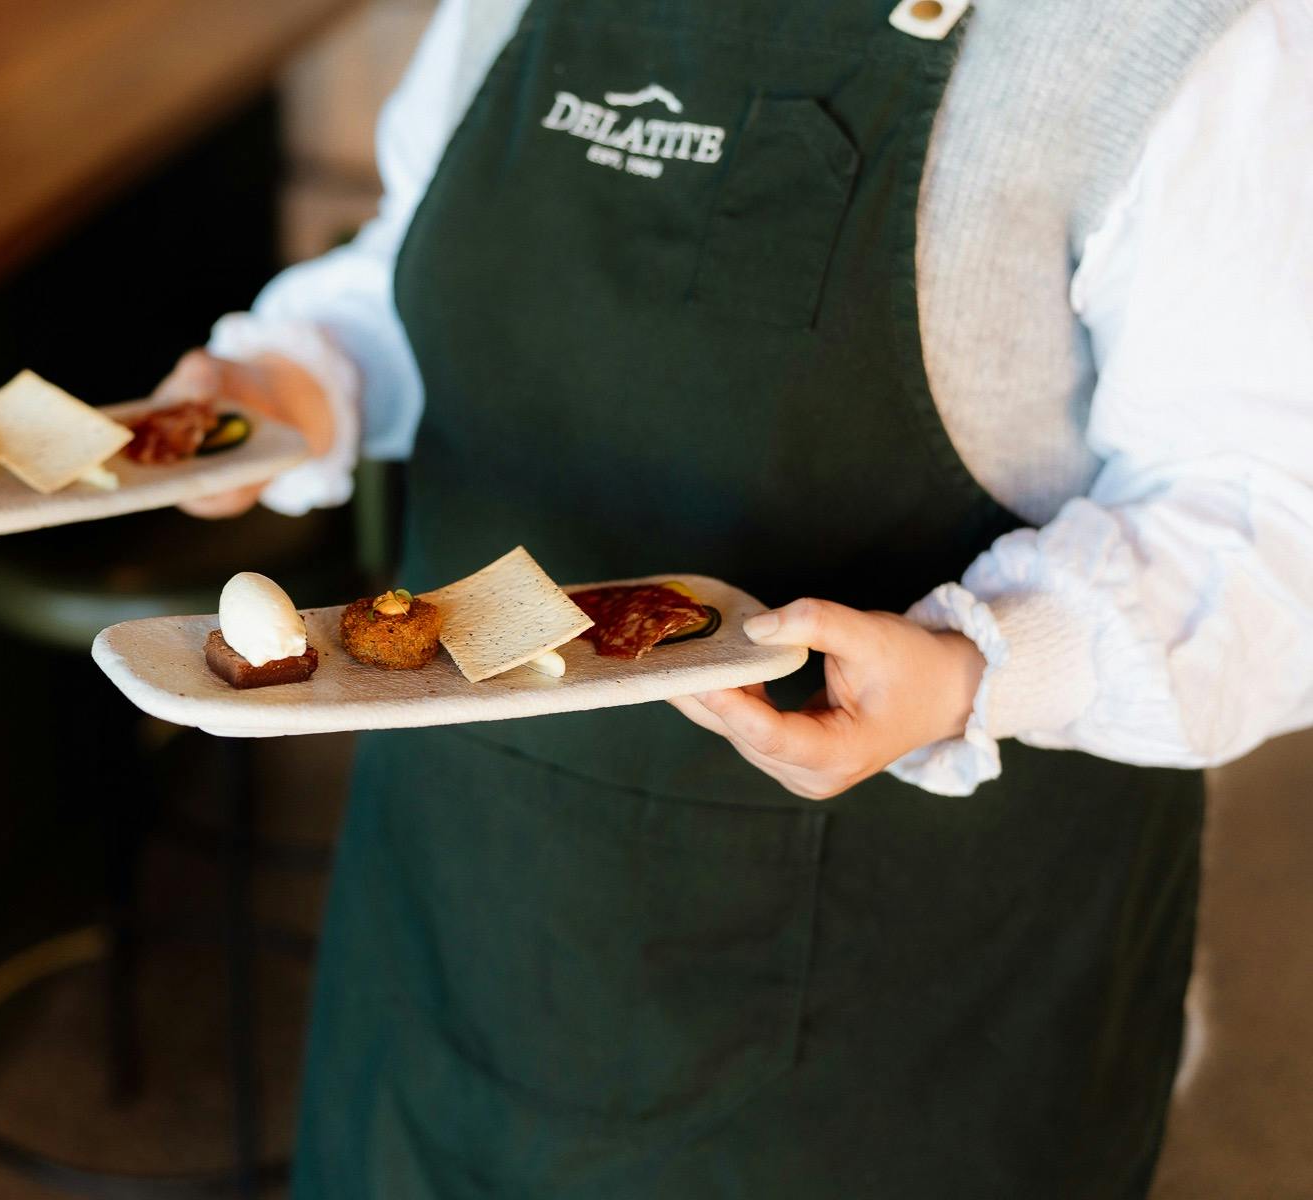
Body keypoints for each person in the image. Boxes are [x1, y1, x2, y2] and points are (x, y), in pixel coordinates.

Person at [150, 0, 1313, 1194]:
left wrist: (985, 661)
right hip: (462, 907)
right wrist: (291, 379)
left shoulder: (1167, 36)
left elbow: (1268, 510)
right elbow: (425, 270)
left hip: (881, 1026)